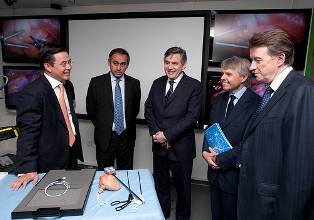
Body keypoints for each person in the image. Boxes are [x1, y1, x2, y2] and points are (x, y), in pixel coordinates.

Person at [237, 29, 314, 220]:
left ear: (280, 59)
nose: (252, 67)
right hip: (256, 201)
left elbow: (300, 170)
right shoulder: (272, 91)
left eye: (258, 60)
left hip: (273, 208)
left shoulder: (302, 91)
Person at [11, 46, 84, 191]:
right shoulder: (33, 93)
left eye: (70, 62)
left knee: (72, 194)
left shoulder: (68, 86)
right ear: (48, 66)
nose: (69, 67)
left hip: (71, 153)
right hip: (49, 160)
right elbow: (28, 134)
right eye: (63, 63)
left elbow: (67, 116)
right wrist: (27, 169)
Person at [145, 47, 201, 220]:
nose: (170, 67)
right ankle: (162, 214)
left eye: (174, 63)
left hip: (181, 148)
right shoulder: (157, 83)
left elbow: (191, 118)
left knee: (183, 189)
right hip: (159, 146)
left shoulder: (194, 86)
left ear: (183, 65)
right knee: (161, 185)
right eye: (167, 62)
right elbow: (148, 110)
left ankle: (182, 217)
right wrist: (156, 134)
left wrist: (167, 136)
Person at [202, 56, 260, 220]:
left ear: (243, 77)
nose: (222, 78)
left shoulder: (257, 103)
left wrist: (220, 160)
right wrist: (206, 152)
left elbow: (251, 143)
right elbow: (211, 128)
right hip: (214, 172)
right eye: (222, 73)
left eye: (228, 74)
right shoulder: (219, 99)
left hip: (235, 175)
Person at [86, 48, 141, 171]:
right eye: (115, 63)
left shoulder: (134, 84)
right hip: (105, 137)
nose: (118, 68)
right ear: (109, 62)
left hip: (126, 138)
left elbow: (134, 110)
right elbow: (91, 111)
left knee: (126, 173)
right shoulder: (96, 83)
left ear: (127, 65)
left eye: (123, 64)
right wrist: (105, 125)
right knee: (104, 175)